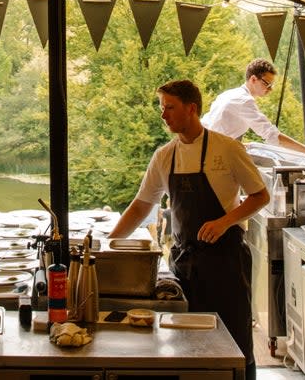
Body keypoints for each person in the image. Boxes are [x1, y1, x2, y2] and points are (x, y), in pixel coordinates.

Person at [110, 80, 269, 380]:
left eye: (170, 107)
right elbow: (141, 206)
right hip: (184, 264)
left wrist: (224, 222)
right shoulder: (164, 155)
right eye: (162, 108)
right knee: (186, 341)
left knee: (235, 342)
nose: (163, 115)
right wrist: (107, 245)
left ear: (191, 108)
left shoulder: (228, 148)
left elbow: (261, 196)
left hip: (226, 262)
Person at [202, 58, 305, 165]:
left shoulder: (228, 94)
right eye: (267, 84)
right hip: (215, 159)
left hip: (205, 152)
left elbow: (214, 128)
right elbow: (272, 135)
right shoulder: (245, 101)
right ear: (253, 79)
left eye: (271, 85)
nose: (270, 89)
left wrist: (239, 145)